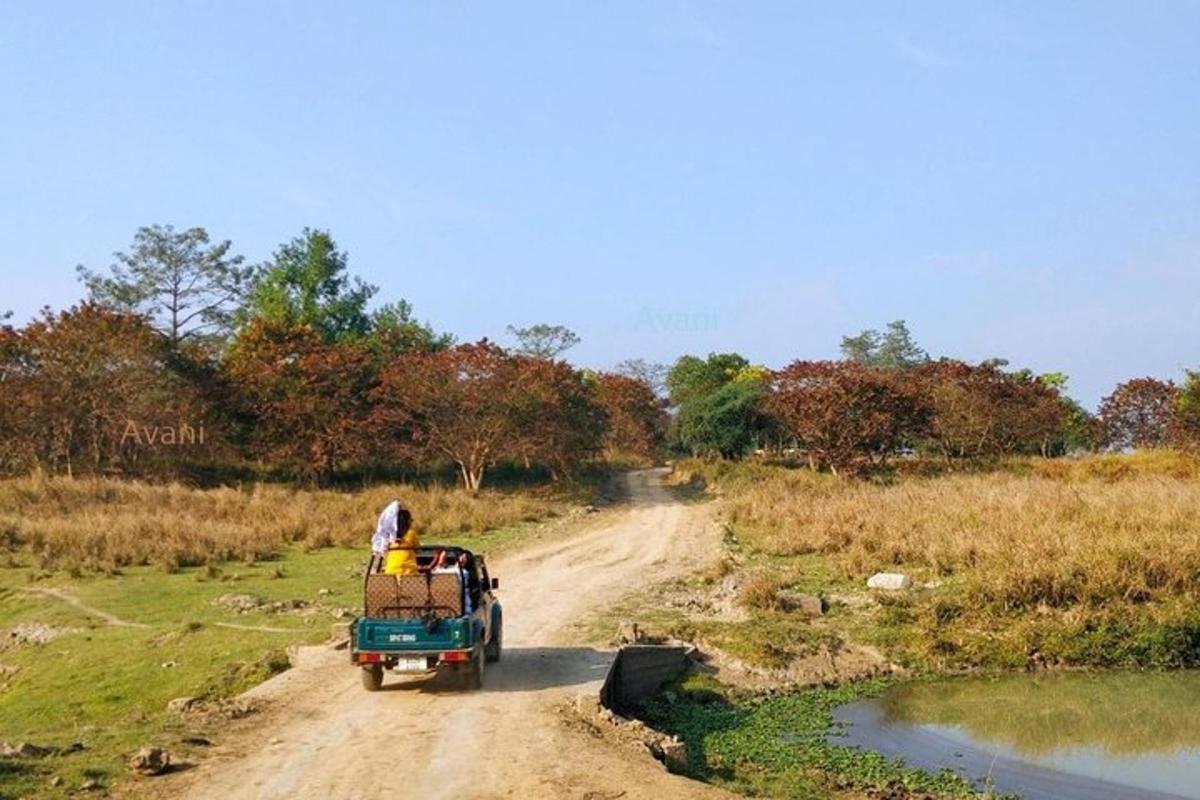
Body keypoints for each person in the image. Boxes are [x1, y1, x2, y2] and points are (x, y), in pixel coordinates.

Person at [371, 500, 420, 576]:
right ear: (407, 522)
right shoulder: (411, 533)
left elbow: (386, 551)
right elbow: (418, 549)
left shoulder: (388, 537)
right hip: (409, 573)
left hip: (391, 573)